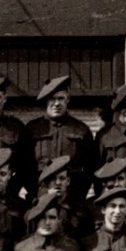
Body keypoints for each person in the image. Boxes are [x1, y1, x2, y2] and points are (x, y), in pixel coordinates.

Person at [26, 75, 96, 207]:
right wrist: (38, 194)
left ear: (68, 99)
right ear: (46, 100)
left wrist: (77, 195)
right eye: (52, 99)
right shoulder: (32, 129)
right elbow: (24, 169)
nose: (57, 103)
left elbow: (90, 169)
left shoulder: (81, 130)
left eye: (61, 98)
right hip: (39, 201)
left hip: (71, 202)